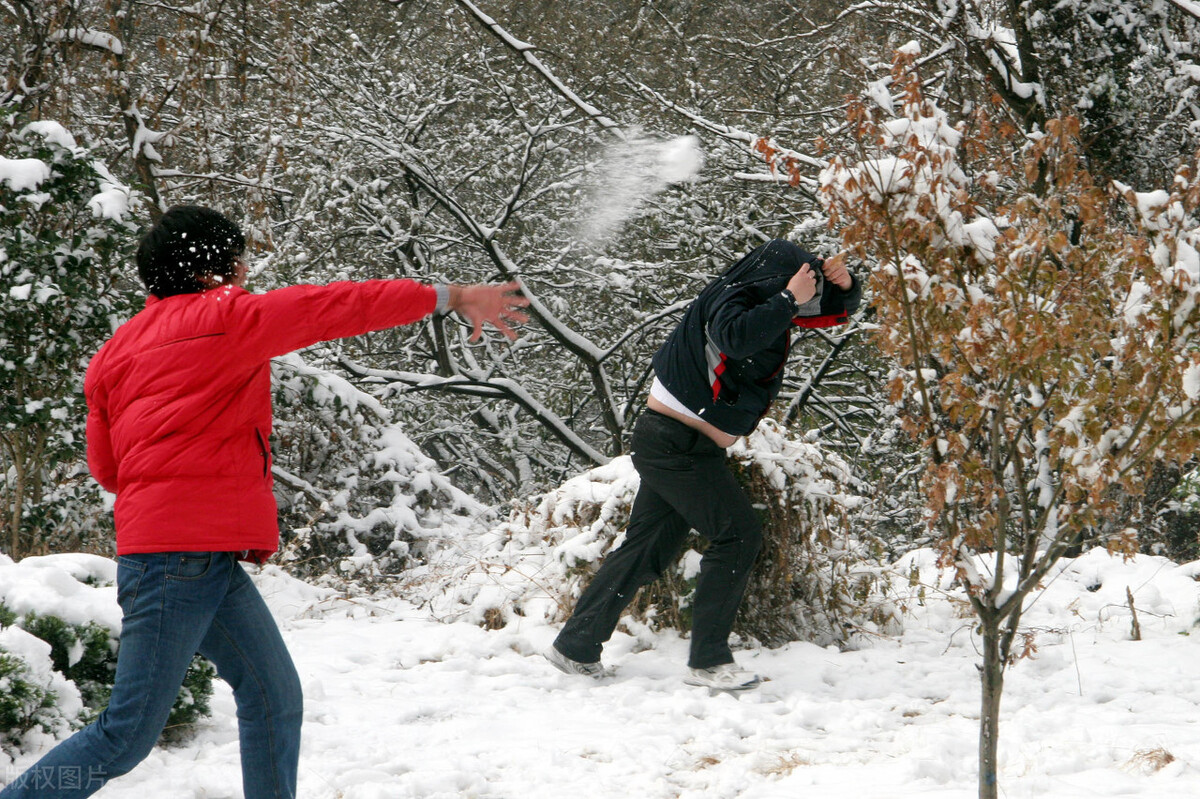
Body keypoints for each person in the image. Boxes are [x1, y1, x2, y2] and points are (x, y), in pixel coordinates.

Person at [0, 205, 529, 799]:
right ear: (211, 270)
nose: (245, 271)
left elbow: (107, 469)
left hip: (188, 555)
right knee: (123, 737)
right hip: (181, 557)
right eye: (237, 260)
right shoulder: (228, 318)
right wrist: (450, 294)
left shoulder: (114, 352)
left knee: (274, 697)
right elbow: (337, 306)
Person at [545, 238, 861, 691]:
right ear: (774, 278)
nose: (798, 296)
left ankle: (575, 646)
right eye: (794, 283)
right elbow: (739, 335)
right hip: (676, 445)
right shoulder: (731, 299)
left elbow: (823, 311)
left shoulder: (765, 300)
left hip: (676, 445)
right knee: (738, 535)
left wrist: (844, 287)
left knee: (647, 548)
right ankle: (709, 661)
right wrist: (790, 297)